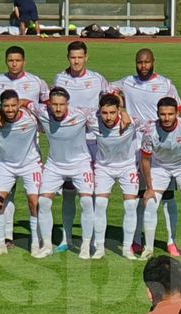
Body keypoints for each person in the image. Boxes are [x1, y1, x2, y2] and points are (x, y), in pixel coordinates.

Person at [110, 49, 181, 257]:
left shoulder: (165, 84)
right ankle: (137, 239)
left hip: (162, 143)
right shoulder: (127, 82)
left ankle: (171, 241)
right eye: (139, 63)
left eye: (146, 62)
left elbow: (179, 111)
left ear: (153, 62)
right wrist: (122, 107)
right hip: (136, 145)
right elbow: (105, 89)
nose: (143, 66)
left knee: (168, 196)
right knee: (140, 194)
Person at [0, 46, 49, 250]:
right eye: (10, 60)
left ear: (24, 61)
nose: (14, 64)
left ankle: (36, 240)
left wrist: (28, 106)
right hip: (6, 152)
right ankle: (5, 238)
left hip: (30, 147)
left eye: (18, 60)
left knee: (35, 200)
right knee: (5, 197)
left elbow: (46, 108)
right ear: (6, 61)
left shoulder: (36, 82)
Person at [52, 41, 110, 254]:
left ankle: (93, 239)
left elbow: (111, 101)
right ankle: (66, 238)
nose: (76, 61)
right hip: (69, 142)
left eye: (80, 57)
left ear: (86, 57)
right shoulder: (60, 79)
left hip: (93, 141)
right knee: (68, 193)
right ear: (68, 57)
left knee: (91, 193)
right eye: (72, 57)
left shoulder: (97, 79)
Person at [34, 87, 97, 260]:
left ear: (68, 104)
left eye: (62, 104)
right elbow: (24, 104)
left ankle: (85, 245)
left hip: (80, 164)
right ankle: (47, 245)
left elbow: (107, 112)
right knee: (44, 201)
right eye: (54, 104)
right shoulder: (41, 111)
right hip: (55, 165)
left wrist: (123, 111)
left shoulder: (81, 114)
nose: (58, 108)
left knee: (85, 200)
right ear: (49, 104)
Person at [139, 97, 181, 263]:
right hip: (159, 166)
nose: (166, 118)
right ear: (157, 114)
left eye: (170, 114)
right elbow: (145, 160)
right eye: (162, 114)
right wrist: (149, 187)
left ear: (177, 113)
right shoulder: (149, 132)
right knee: (151, 203)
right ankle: (148, 249)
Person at [0, 90, 44, 256]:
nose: (10, 109)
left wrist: (26, 102)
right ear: (0, 106)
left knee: (34, 202)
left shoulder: (31, 117)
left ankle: (35, 243)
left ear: (18, 104)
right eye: (6, 106)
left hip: (31, 165)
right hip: (6, 165)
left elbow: (50, 112)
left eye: (14, 105)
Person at [91, 94, 137, 260]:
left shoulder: (132, 122)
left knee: (131, 205)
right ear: (99, 111)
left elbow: (153, 125)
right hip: (104, 168)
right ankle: (100, 247)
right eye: (104, 113)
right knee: (101, 204)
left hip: (127, 167)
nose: (108, 117)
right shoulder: (92, 121)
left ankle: (126, 248)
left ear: (119, 110)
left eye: (112, 112)